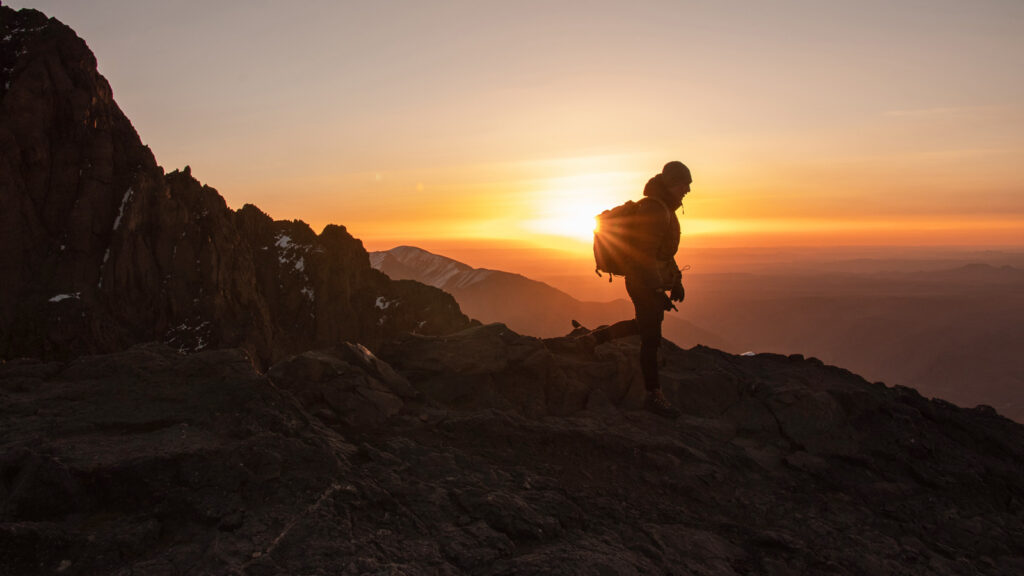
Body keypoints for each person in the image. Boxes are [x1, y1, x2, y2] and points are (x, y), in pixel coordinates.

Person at [583, 161, 691, 418]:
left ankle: (595, 339)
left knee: (644, 325)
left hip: (647, 281)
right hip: (641, 281)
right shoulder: (655, 209)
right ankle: (653, 395)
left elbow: (663, 253)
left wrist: (676, 282)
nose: (687, 189)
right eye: (684, 184)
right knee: (651, 336)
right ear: (671, 183)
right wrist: (656, 291)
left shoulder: (663, 207)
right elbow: (643, 255)